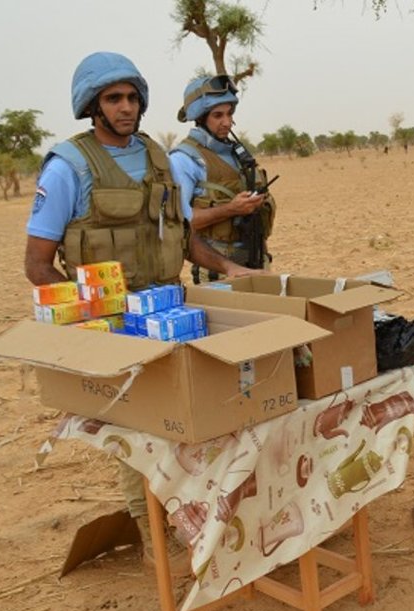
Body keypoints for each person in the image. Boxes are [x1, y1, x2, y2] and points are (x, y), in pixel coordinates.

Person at [24, 52, 257, 573]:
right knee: (137, 435)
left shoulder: (156, 157)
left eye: (132, 97)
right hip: (112, 326)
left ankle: (183, 521)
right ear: (92, 105)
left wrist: (229, 270)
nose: (126, 107)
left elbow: (180, 237)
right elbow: (38, 265)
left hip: (167, 312)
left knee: (185, 424)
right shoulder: (69, 167)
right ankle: (150, 534)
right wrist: (91, 323)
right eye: (114, 98)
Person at [170, 74, 276, 283]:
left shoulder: (236, 152)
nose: (227, 122)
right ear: (200, 118)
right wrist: (231, 209)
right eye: (218, 115)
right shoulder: (184, 160)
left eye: (229, 114)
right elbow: (180, 223)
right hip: (217, 272)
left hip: (257, 260)